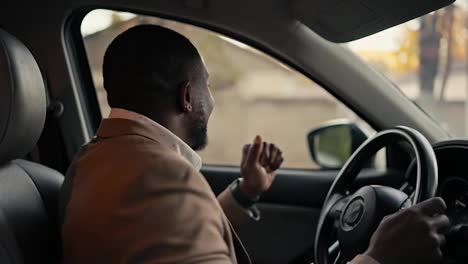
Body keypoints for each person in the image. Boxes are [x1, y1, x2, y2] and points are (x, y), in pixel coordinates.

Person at [59, 25, 450, 264]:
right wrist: (378, 258)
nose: (211, 100)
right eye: (206, 85)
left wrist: (246, 193)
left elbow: (168, 236)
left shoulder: (95, 161)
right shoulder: (157, 177)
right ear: (187, 97)